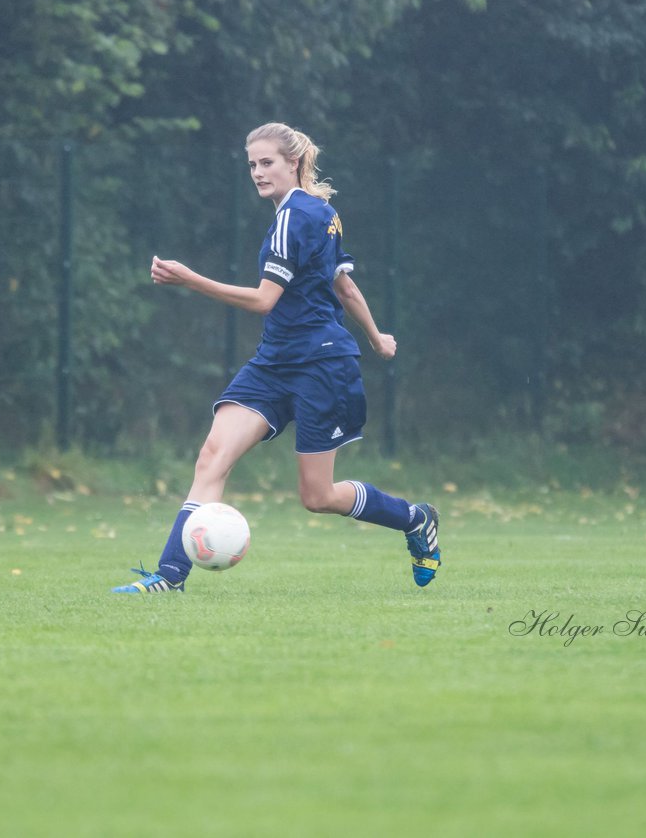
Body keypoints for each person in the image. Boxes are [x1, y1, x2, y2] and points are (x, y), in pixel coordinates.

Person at [112, 123, 442, 594]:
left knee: (318, 496)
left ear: (294, 163)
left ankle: (415, 518)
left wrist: (190, 279)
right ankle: (169, 577)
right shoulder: (317, 212)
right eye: (252, 164)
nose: (258, 172)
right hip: (274, 361)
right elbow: (342, 284)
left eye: (267, 162)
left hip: (321, 365)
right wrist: (376, 335)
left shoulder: (300, 217)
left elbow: (266, 300)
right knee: (212, 457)